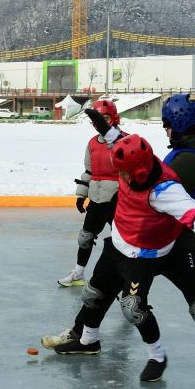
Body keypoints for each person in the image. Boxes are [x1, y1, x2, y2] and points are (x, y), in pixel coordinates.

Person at [43, 129, 195, 382]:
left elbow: (190, 210)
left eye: (123, 172)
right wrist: (103, 126)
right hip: (122, 244)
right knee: (94, 292)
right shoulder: (132, 165)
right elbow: (115, 141)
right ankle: (87, 341)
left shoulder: (164, 189)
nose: (120, 175)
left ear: (138, 171)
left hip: (163, 249)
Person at [58, 100, 127, 286]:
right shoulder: (92, 143)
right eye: (99, 119)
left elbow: (133, 174)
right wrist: (82, 195)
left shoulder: (125, 141)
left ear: (114, 118)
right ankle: (79, 274)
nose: (102, 123)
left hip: (118, 203)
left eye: (106, 118)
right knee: (85, 238)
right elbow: (89, 171)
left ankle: (127, 283)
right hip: (96, 200)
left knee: (122, 244)